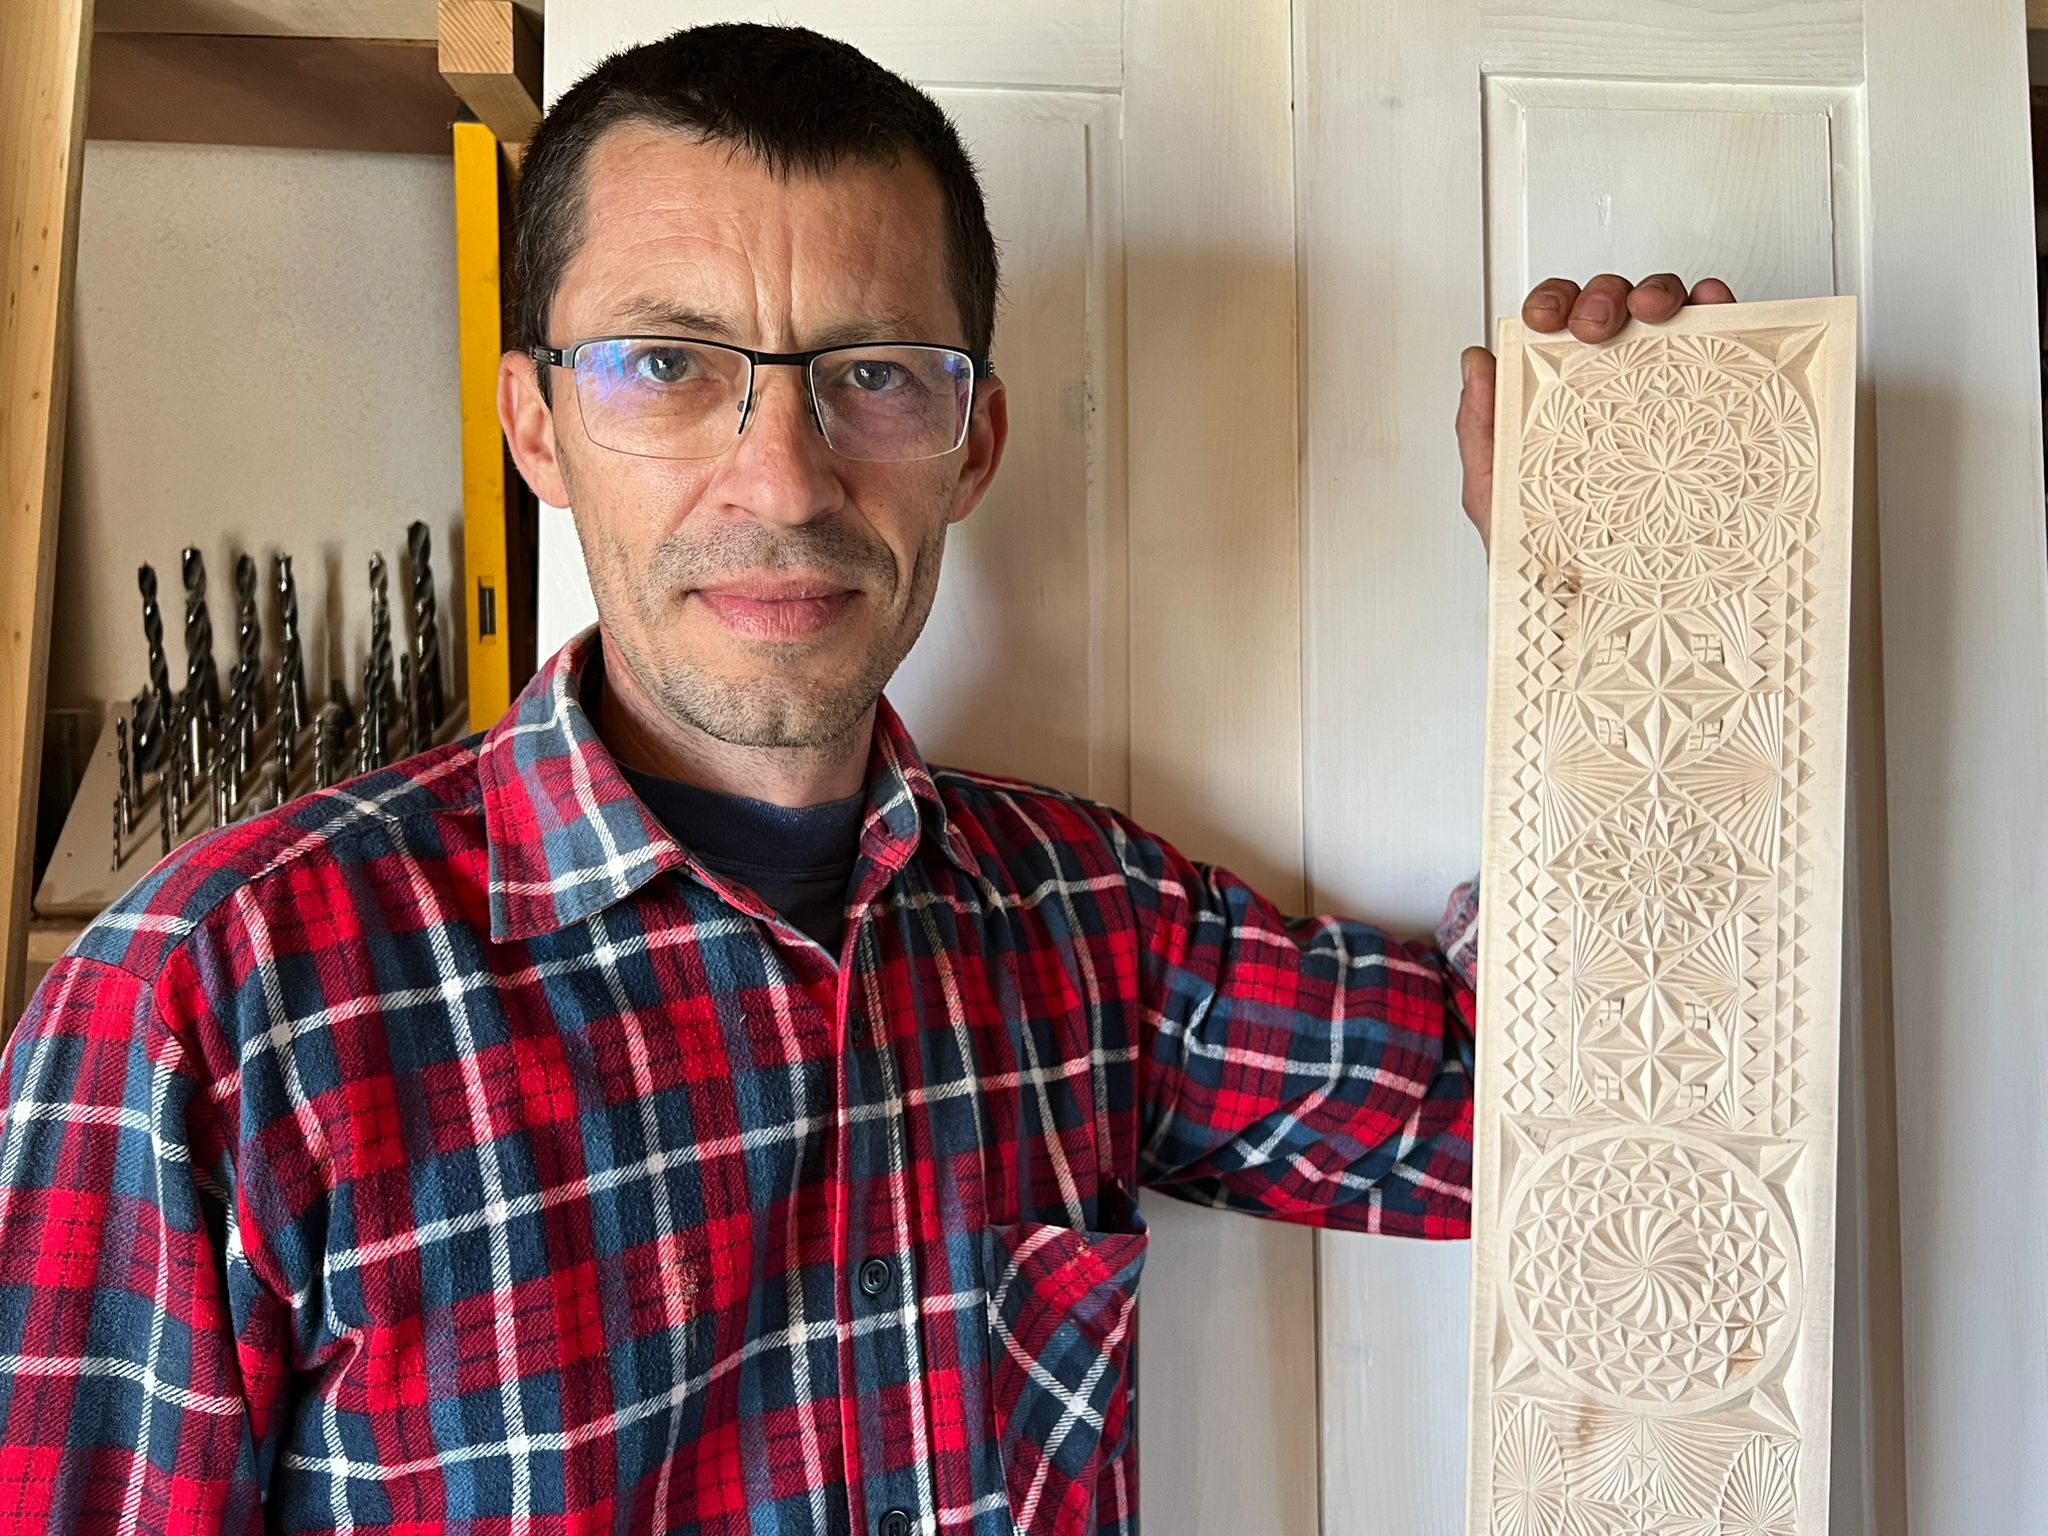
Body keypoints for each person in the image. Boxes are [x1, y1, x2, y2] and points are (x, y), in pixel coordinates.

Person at [0, 22, 1734, 1536]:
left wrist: (1623, 610)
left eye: (876, 374)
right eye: (667, 365)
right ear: (538, 426)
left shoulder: (1088, 926)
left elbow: (1556, 1124)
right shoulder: (211, 1008)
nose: (783, 478)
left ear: (972, 445)